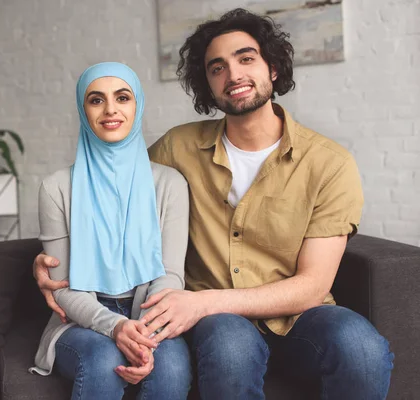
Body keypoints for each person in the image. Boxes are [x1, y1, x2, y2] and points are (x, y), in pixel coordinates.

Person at [34, 9, 395, 399]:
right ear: (206, 84)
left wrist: (203, 302)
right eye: (217, 68)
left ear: (272, 67)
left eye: (246, 58)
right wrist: (45, 261)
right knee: (230, 348)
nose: (234, 75)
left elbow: (312, 286)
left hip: (297, 317)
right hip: (218, 323)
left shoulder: (329, 163)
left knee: (362, 348)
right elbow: (115, 185)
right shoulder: (178, 148)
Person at [29, 62, 192, 400]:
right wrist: (115, 327)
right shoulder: (56, 187)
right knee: (103, 358)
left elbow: (172, 275)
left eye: (122, 97)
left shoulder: (169, 184)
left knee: (172, 367)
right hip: (80, 318)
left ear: (138, 105)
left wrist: (143, 334)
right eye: (96, 100)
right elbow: (62, 287)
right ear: (82, 109)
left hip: (151, 313)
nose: (111, 109)